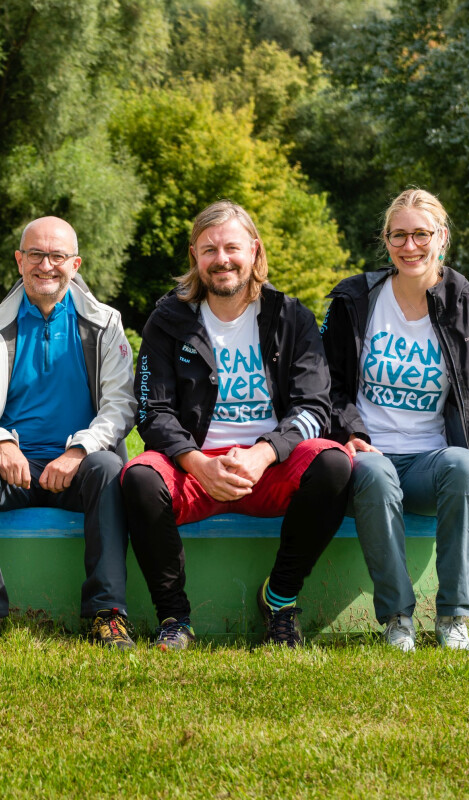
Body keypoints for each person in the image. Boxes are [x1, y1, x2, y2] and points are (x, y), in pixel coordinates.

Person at [122, 200, 352, 649]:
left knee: (334, 464)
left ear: (254, 251)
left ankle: (280, 600)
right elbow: (153, 411)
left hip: (270, 465)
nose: (221, 259)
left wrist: (263, 453)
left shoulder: (291, 318)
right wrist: (197, 464)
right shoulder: (167, 321)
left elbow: (315, 406)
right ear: (195, 256)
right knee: (139, 477)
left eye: (232, 247)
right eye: (209, 250)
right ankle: (174, 619)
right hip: (196, 470)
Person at [323, 188, 469, 652]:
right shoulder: (355, 301)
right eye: (399, 235)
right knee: (375, 473)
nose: (410, 246)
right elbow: (331, 387)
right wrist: (351, 435)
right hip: (369, 456)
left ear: (441, 237)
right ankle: (398, 618)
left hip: (431, 462)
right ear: (385, 241)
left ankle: (453, 618)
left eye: (421, 234)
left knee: (463, 466)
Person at [0, 216, 137, 654]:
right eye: (35, 254)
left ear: (75, 263)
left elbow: (121, 405)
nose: (46, 265)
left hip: (77, 469)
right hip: (12, 469)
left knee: (110, 466)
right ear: (20, 260)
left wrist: (78, 450)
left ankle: (106, 613)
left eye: (57, 256)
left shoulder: (104, 324)